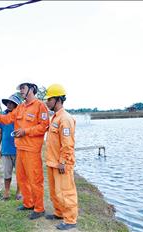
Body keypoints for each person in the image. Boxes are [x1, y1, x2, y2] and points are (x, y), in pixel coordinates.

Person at [0, 82, 49, 220]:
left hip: (32, 150)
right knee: (22, 178)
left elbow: (44, 126)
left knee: (35, 179)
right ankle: (28, 203)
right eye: (20, 89)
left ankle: (39, 208)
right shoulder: (21, 107)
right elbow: (6, 119)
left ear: (32, 89)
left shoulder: (40, 106)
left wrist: (25, 131)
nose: (21, 91)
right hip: (20, 149)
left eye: (23, 88)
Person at [43, 84, 78, 230]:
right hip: (53, 162)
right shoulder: (55, 118)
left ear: (58, 99)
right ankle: (58, 213)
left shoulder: (65, 119)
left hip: (61, 163)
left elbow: (67, 144)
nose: (47, 102)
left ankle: (70, 220)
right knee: (55, 191)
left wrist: (63, 161)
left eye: (49, 99)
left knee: (66, 191)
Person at [0, 94, 22, 200]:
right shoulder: (2, 117)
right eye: (8, 103)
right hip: (6, 150)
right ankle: (6, 193)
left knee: (20, 174)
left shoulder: (21, 117)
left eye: (12, 103)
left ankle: (18, 193)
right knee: (7, 173)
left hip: (19, 150)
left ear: (16, 105)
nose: (9, 104)